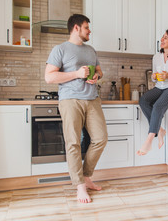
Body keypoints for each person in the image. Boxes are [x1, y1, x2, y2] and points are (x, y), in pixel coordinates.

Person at [45, 14, 108, 203]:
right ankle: (80, 186)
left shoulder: (91, 50)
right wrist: (76, 73)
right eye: (87, 27)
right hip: (70, 100)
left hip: (92, 98)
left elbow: (99, 70)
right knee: (73, 143)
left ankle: (87, 176)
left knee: (100, 139)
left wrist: (97, 76)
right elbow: (49, 77)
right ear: (76, 28)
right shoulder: (60, 49)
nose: (89, 31)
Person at [137, 29, 168, 156]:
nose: (162, 40)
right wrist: (154, 76)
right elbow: (154, 78)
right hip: (160, 87)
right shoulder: (156, 57)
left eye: (165, 38)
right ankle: (159, 129)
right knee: (144, 100)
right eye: (162, 37)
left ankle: (149, 140)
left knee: (158, 105)